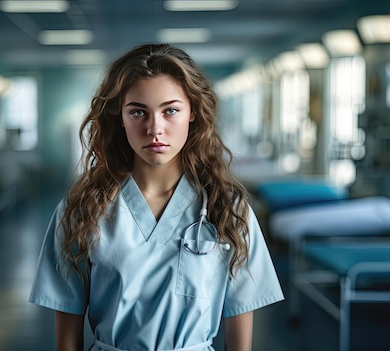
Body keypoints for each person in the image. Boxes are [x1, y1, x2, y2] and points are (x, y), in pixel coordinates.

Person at [29, 43, 284, 351]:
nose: (154, 129)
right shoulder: (81, 212)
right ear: (119, 118)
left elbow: (240, 331)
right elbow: (67, 336)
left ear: (193, 112)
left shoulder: (228, 210)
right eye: (138, 112)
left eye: (170, 110)